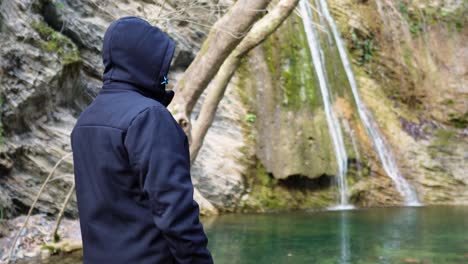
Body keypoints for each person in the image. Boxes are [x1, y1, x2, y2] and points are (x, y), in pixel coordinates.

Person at [70, 16, 213, 264]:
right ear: (144, 61)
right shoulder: (149, 116)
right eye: (162, 65)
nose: (165, 73)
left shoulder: (86, 119)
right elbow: (175, 213)